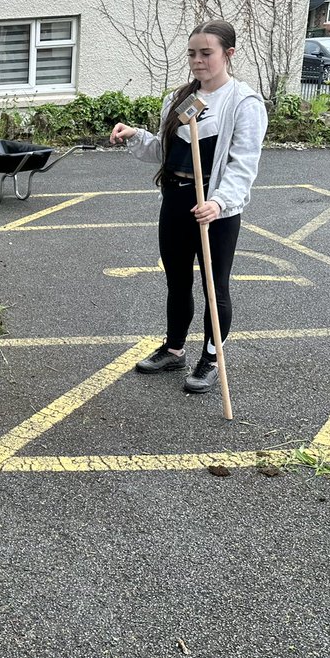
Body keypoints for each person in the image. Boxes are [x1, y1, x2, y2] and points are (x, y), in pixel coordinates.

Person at [109, 20, 268, 394]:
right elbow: (165, 151)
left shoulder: (243, 102)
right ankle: (174, 349)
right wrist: (136, 135)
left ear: (228, 54)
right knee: (177, 279)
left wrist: (218, 202)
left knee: (215, 286)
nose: (197, 61)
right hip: (176, 200)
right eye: (192, 54)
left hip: (213, 208)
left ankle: (212, 358)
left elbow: (243, 163)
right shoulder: (181, 98)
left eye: (206, 53)